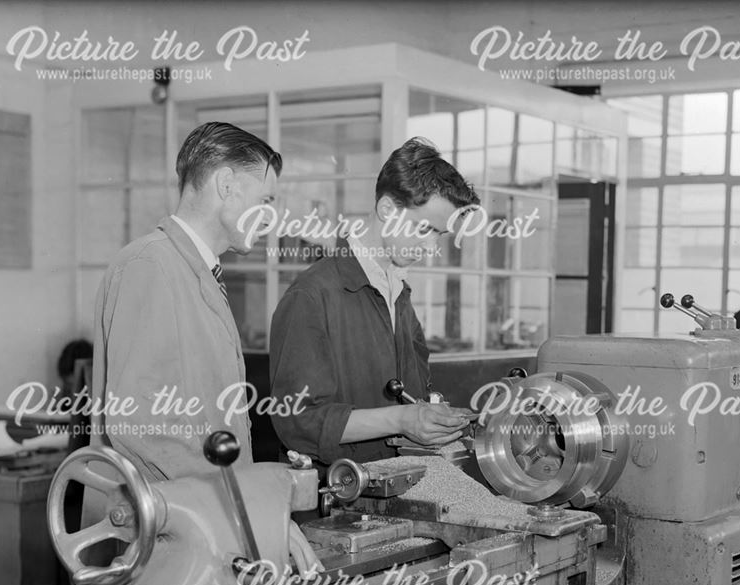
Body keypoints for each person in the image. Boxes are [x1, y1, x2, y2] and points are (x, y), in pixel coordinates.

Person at [269, 138, 477, 466]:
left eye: (439, 234)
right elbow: (296, 422)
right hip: (335, 498)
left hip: (397, 485)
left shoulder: (399, 294)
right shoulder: (311, 295)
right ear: (386, 209)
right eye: (425, 228)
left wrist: (429, 415)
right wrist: (402, 419)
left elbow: (411, 395)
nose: (430, 246)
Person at [92, 123, 280, 481]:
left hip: (200, 510)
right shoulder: (150, 264)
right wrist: (233, 501)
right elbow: (140, 419)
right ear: (227, 185)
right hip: (170, 517)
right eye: (265, 201)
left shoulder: (196, 268)